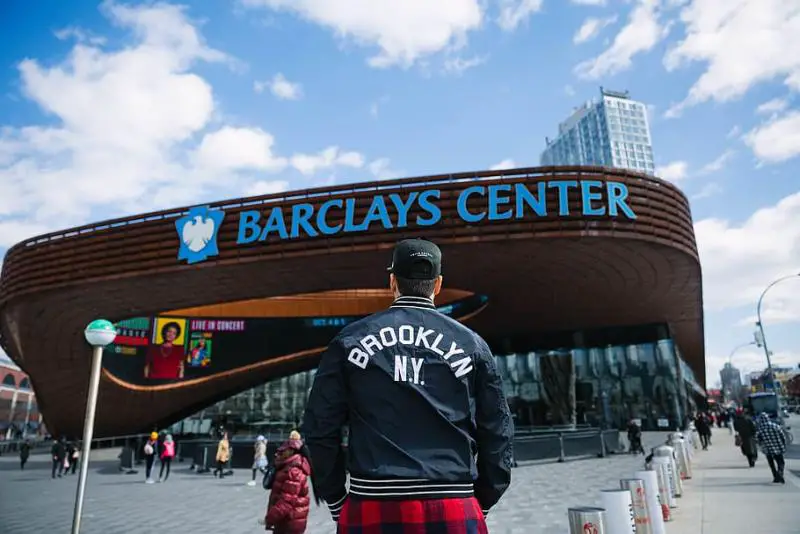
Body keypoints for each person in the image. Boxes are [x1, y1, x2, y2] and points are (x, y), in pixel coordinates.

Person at [302, 238, 514, 533]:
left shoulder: (349, 341)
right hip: (453, 500)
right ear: (437, 284)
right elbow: (498, 429)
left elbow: (319, 428)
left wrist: (336, 499)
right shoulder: (473, 345)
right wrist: (484, 499)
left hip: (372, 501)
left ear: (392, 282)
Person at [261, 430, 313, 533]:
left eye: (282, 451)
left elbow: (287, 502)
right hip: (286, 521)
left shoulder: (293, 471)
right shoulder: (286, 467)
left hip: (290, 522)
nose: (278, 453)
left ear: (291, 451)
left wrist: (270, 518)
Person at [754, 412, 787, 484]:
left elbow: (757, 439)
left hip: (767, 449)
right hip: (778, 447)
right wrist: (783, 445)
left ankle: (775, 477)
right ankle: (780, 473)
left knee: (771, 464)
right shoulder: (775, 426)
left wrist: (761, 444)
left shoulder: (760, 429)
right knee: (781, 462)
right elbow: (783, 436)